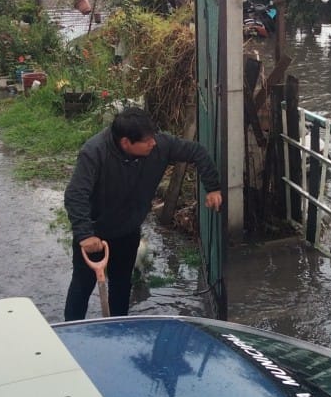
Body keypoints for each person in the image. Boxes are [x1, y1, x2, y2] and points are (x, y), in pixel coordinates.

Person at [64, 107, 223, 320]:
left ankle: (119, 329)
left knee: (121, 285)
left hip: (127, 230)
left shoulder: (159, 146)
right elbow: (76, 194)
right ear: (126, 143)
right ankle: (70, 333)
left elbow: (197, 152)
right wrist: (85, 234)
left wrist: (212, 187)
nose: (153, 143)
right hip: (95, 234)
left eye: (153, 137)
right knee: (82, 287)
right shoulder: (94, 152)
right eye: (147, 141)